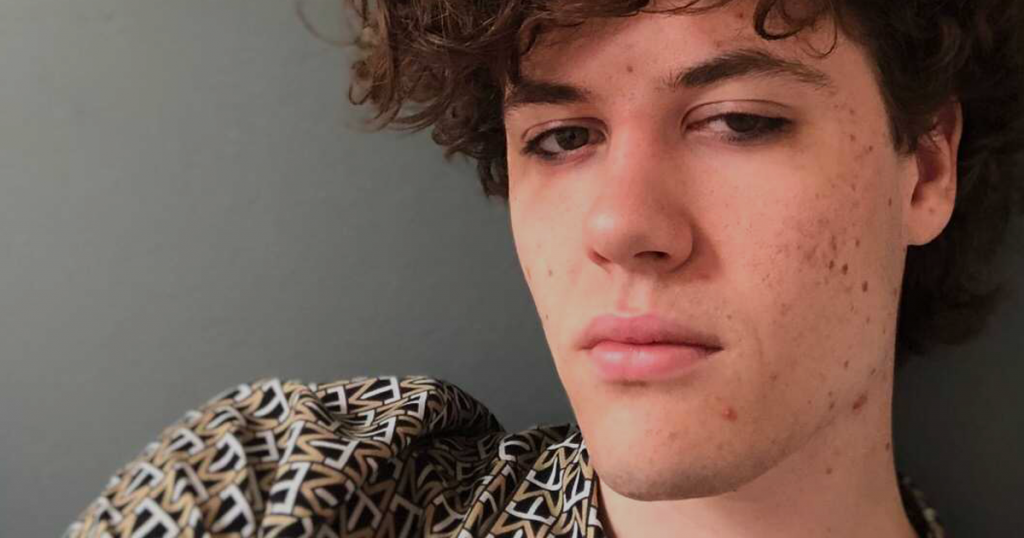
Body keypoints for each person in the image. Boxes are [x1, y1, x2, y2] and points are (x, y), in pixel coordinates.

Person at [66, 0, 1023, 536]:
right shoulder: (287, 496)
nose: (621, 225)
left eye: (739, 120)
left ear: (925, 169)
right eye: (563, 137)